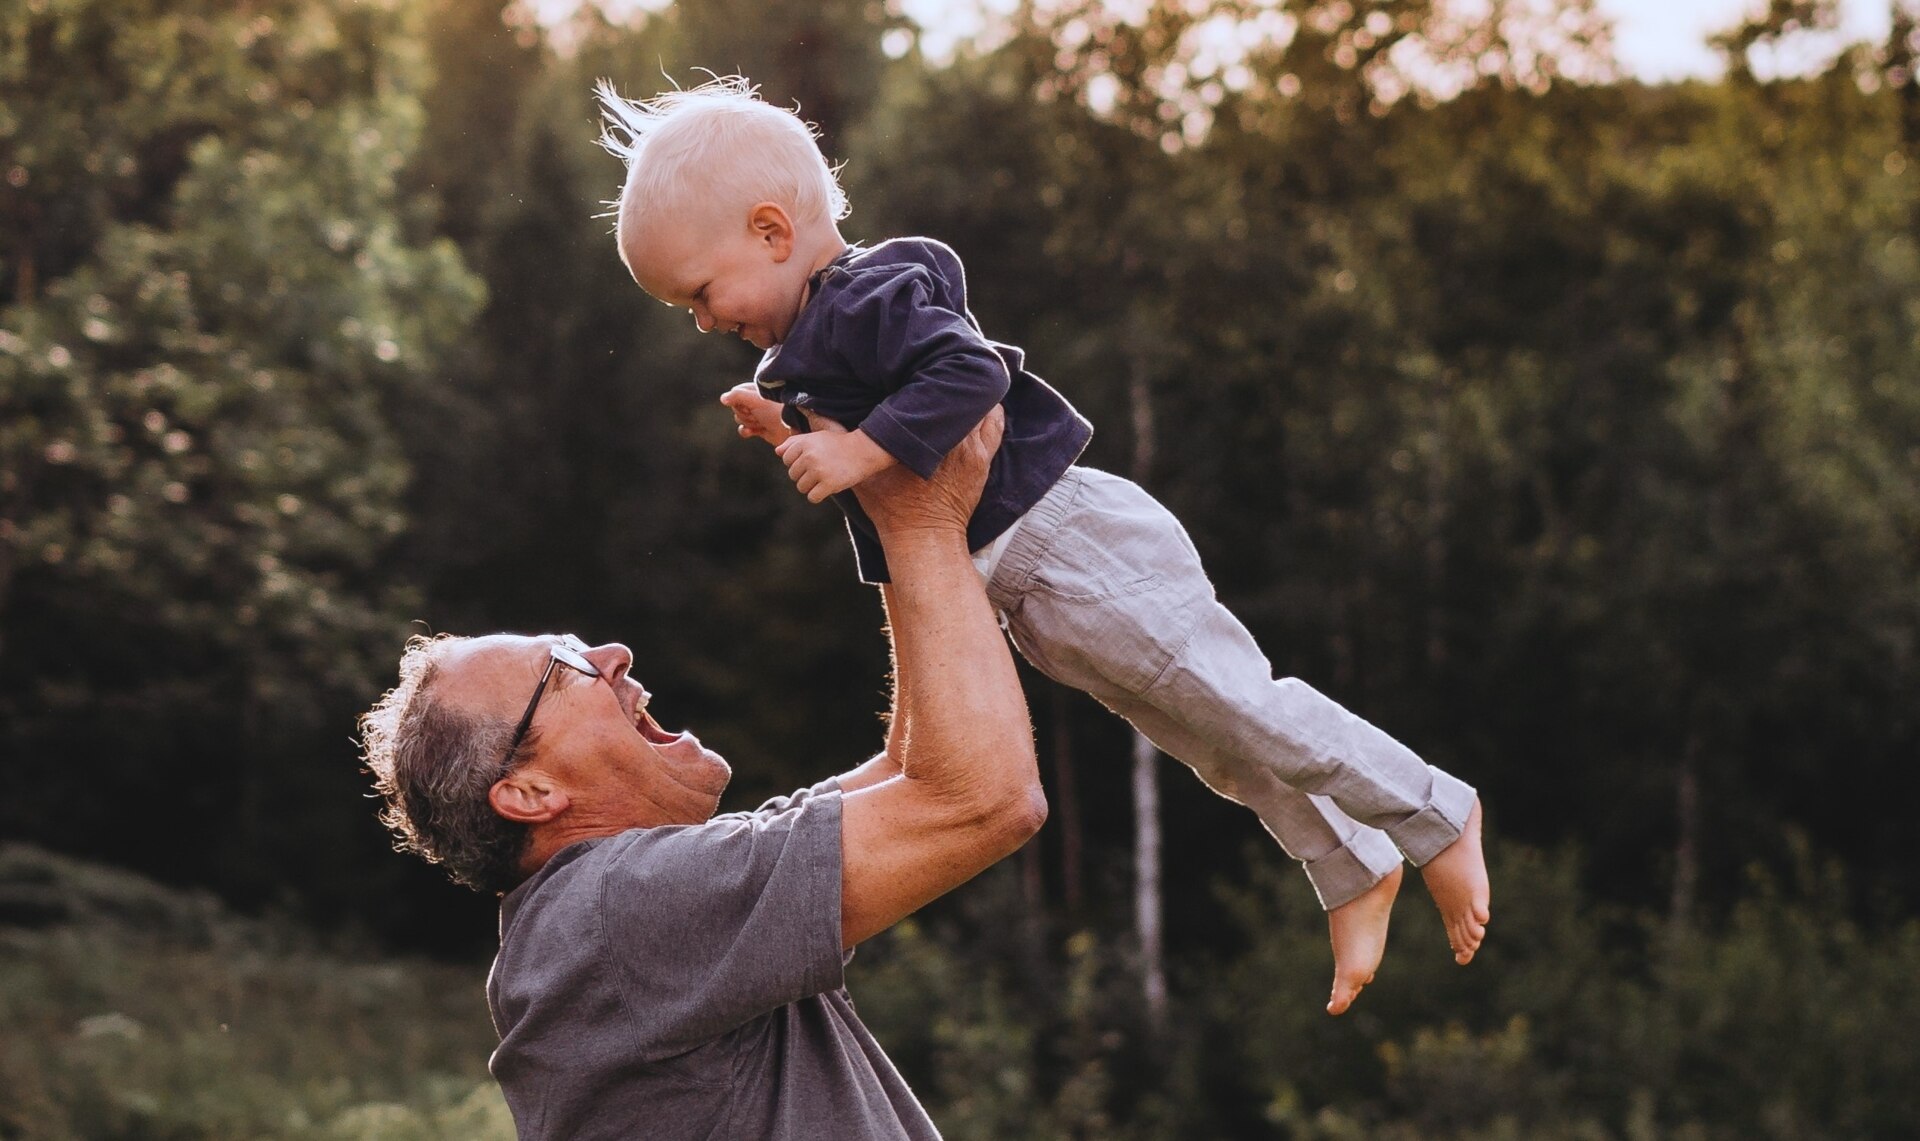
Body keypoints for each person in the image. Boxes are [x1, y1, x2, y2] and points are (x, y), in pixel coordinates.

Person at [596, 75, 1490, 1016]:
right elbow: (897, 497)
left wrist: (854, 446)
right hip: (1033, 593)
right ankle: (1351, 867)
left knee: (1242, 705)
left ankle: (1435, 809)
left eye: (699, 292)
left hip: (1073, 542)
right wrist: (797, 435)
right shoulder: (813, 342)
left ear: (773, 232)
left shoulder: (866, 299)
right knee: (1214, 741)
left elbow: (970, 373)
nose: (703, 321)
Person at [359, 412, 1038, 1139]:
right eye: (565, 663)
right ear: (530, 793)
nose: (613, 652)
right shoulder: (620, 909)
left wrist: (873, 500)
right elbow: (985, 797)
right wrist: (925, 522)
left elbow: (915, 768)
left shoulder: (609, 916)